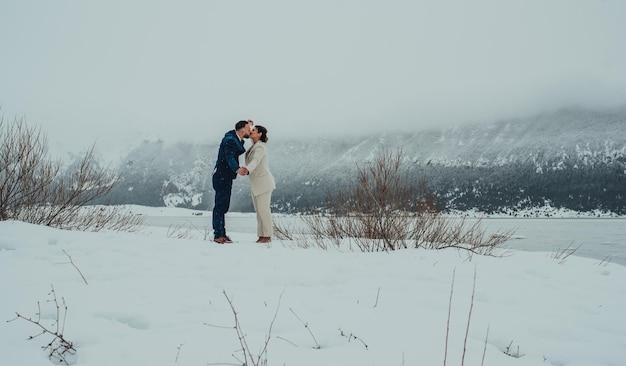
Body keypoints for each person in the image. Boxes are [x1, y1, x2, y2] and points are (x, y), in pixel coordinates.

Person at [212, 120, 253, 244]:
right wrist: (237, 169)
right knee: (220, 206)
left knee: (223, 205)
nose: (250, 131)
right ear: (241, 129)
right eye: (248, 128)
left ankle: (222, 233)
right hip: (221, 176)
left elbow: (237, 146)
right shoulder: (230, 140)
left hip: (224, 176)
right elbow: (229, 156)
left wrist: (247, 122)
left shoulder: (233, 137)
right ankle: (218, 235)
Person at [244, 125, 276, 243]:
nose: (251, 132)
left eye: (253, 130)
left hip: (264, 183)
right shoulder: (254, 146)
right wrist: (248, 124)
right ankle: (261, 235)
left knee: (264, 210)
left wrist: (247, 169)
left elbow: (255, 161)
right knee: (259, 212)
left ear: (260, 134)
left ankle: (267, 236)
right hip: (256, 184)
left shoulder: (260, 147)